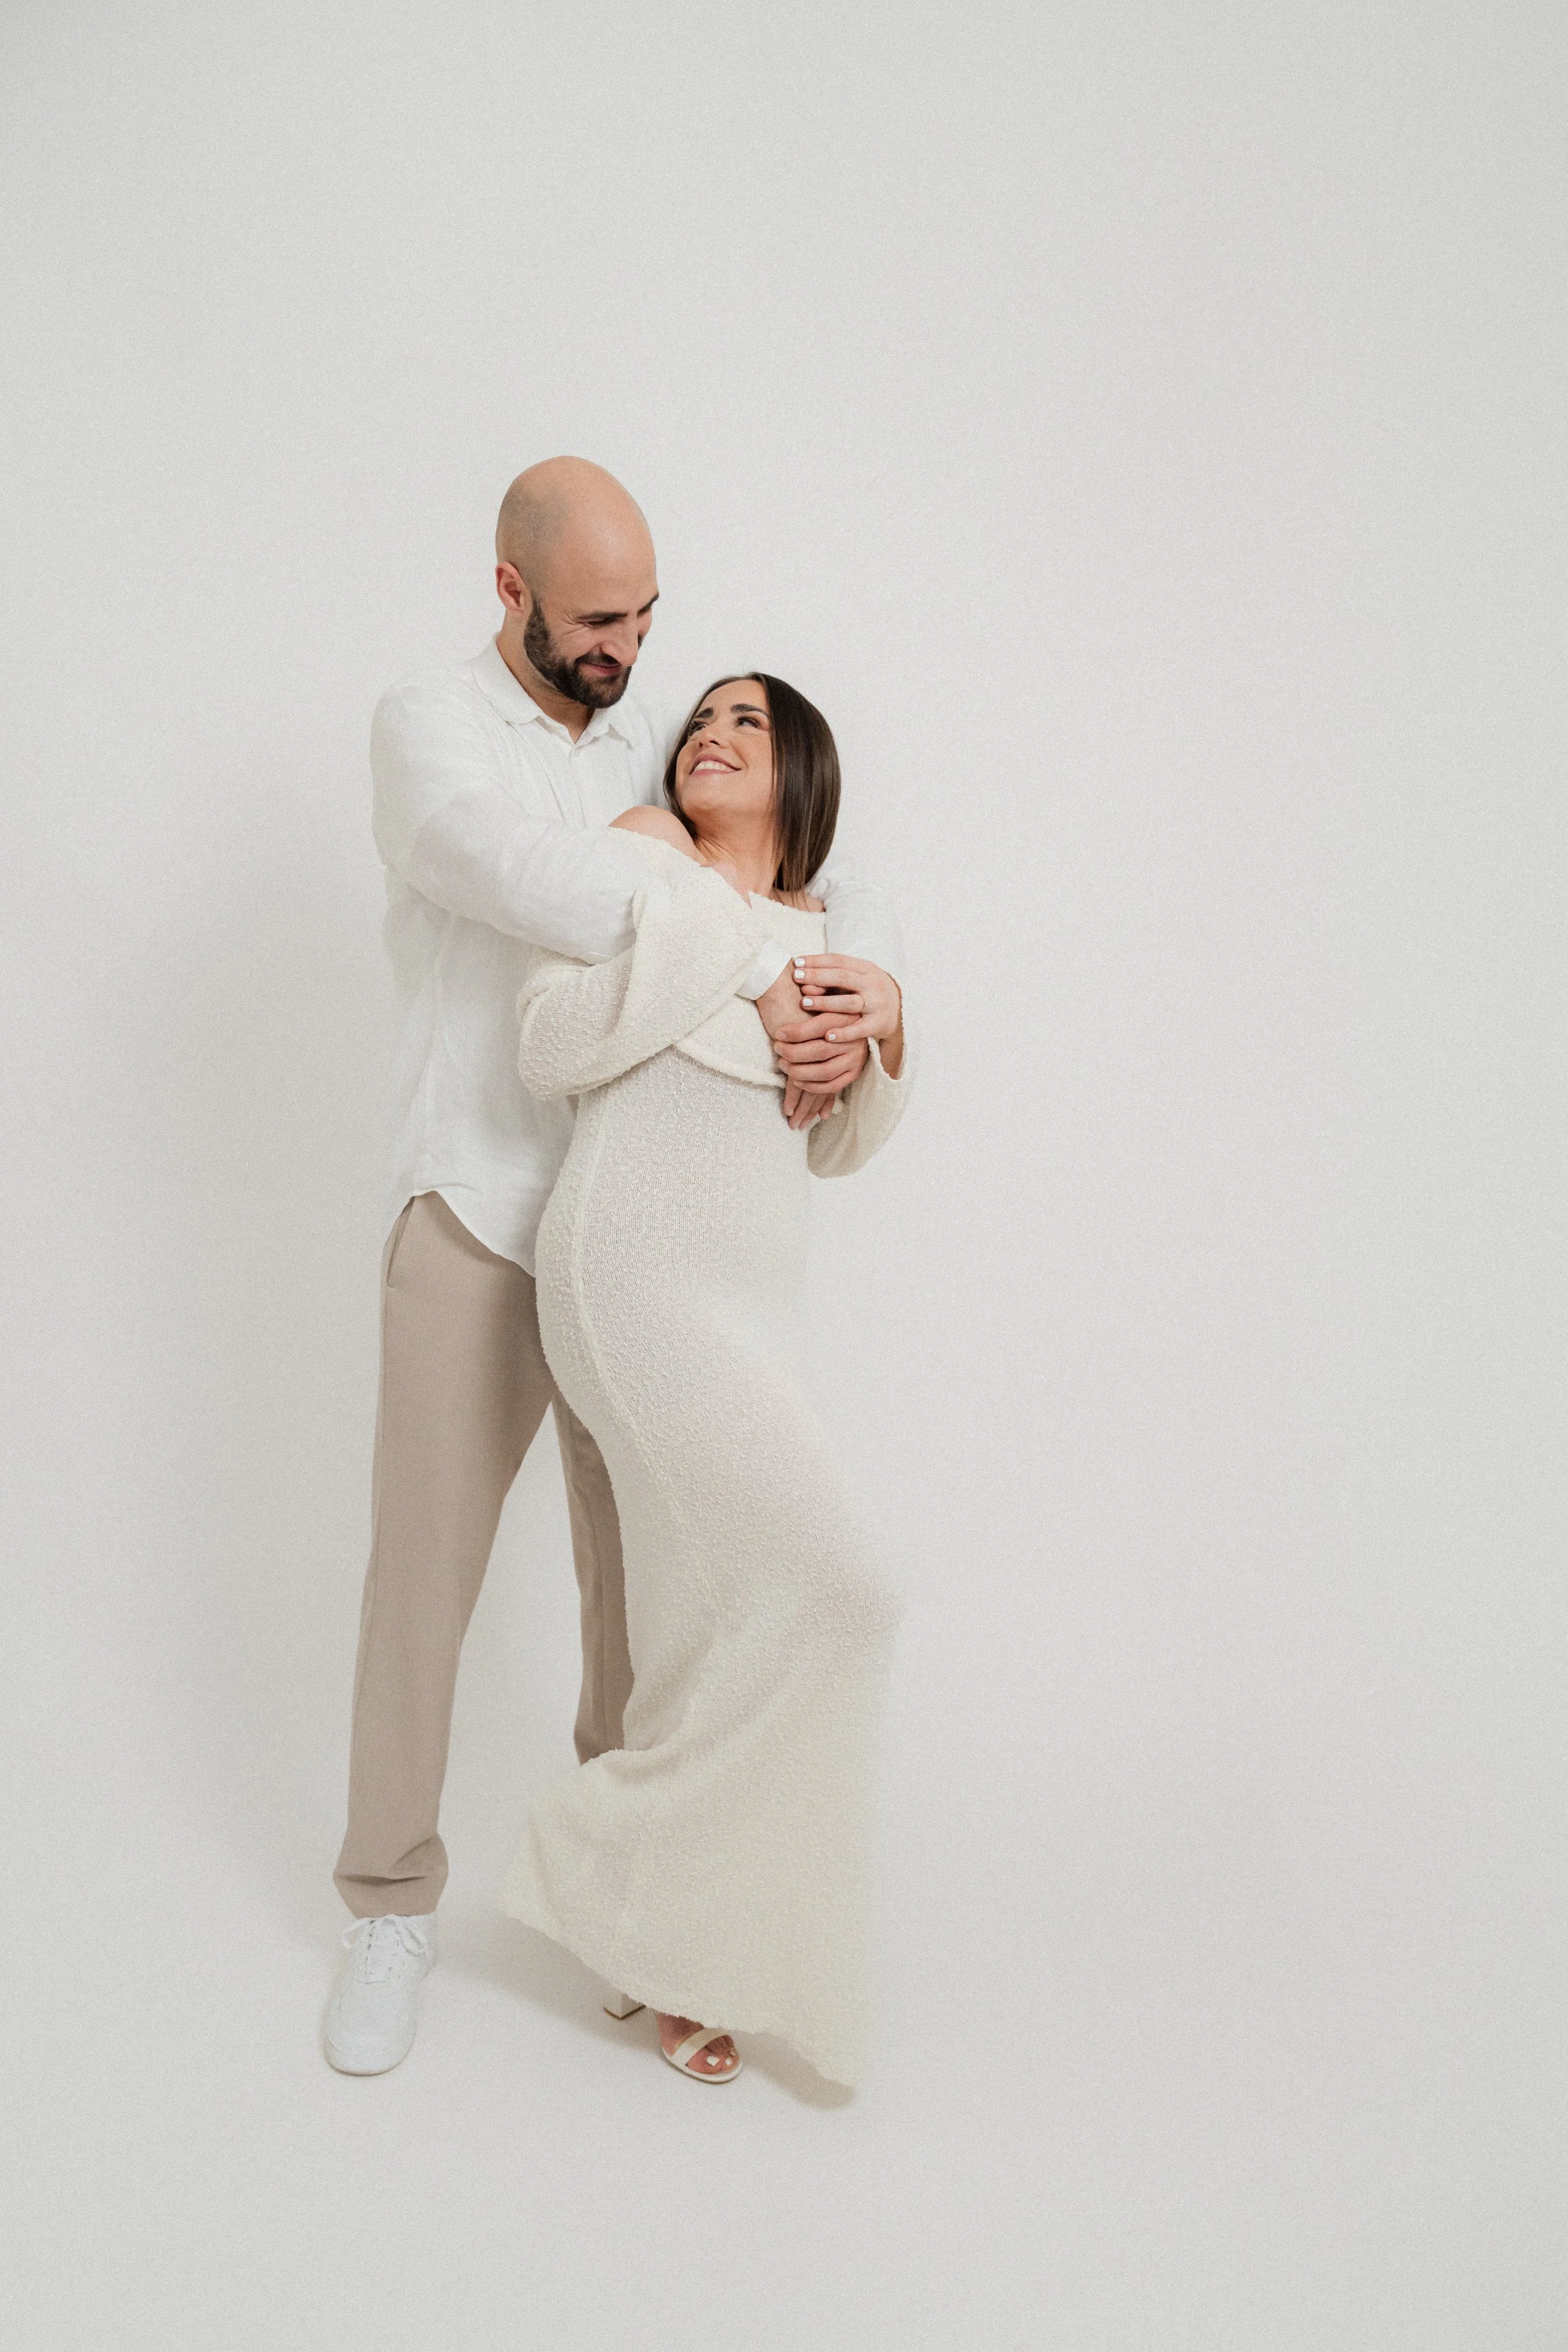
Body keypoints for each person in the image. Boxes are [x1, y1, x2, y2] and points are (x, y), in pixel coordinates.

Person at [324, 461, 904, 2075]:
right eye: (598, 620)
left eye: (647, 616)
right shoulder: (430, 729)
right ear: (508, 591)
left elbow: (805, 882)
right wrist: (759, 956)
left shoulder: (654, 754)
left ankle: (640, 1915)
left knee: (648, 1604)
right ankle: (387, 1902)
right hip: (479, 1202)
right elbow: (551, 891)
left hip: (640, 1231)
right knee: (422, 1585)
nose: (630, 649)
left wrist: (864, 991)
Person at [498, 672, 912, 2088]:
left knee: (709, 1617)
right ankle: (593, 1857)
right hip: (630, 1283)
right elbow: (549, 1044)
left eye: (747, 720)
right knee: (844, 1588)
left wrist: (872, 1028)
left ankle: (667, 1939)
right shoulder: (639, 867)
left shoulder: (831, 942)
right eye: (698, 722)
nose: (708, 736)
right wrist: (720, 945)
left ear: (802, 766)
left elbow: (841, 1149)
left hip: (751, 1308)